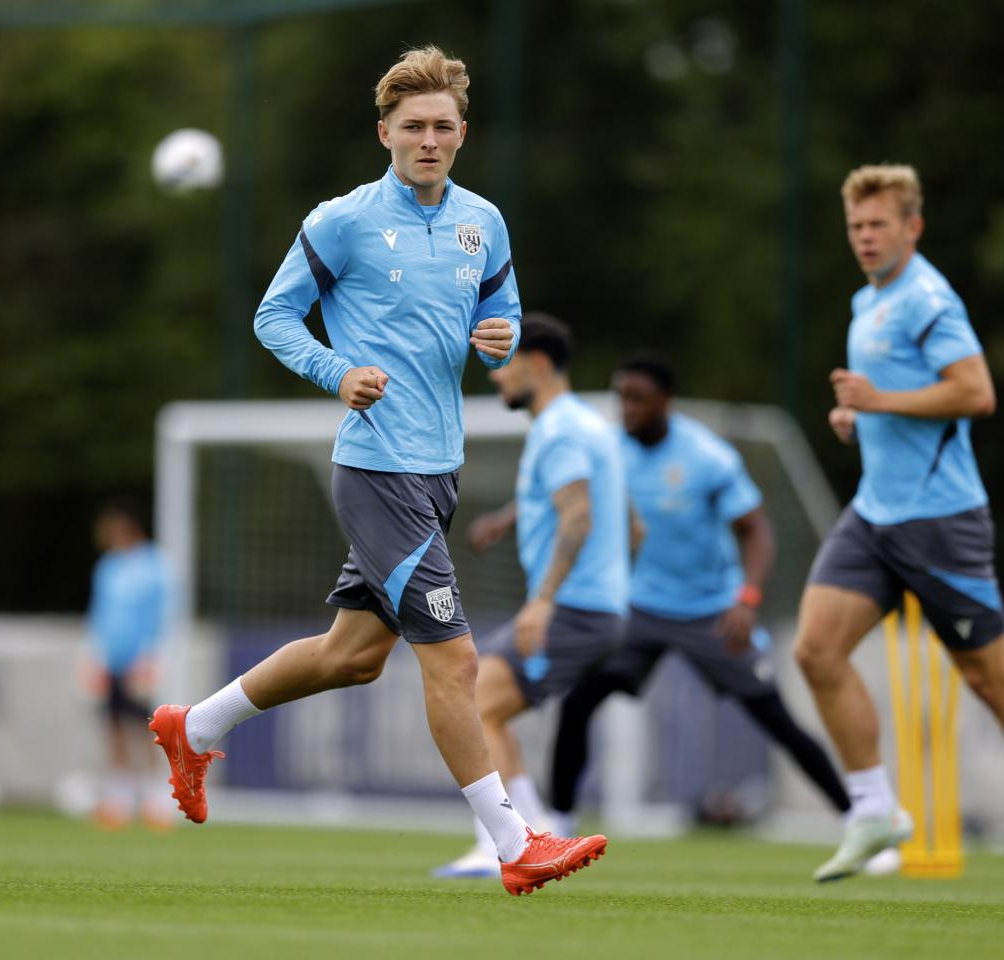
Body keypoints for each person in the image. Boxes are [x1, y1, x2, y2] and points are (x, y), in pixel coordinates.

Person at [148, 46, 606, 897]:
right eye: (412, 128)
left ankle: (194, 724)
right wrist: (337, 373)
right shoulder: (342, 221)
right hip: (376, 467)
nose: (427, 140)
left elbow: (501, 306)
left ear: (462, 134)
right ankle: (513, 844)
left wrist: (499, 333)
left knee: (353, 655)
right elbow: (273, 316)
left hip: (440, 470)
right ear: (384, 133)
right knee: (457, 661)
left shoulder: (484, 222)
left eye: (442, 127)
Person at [795, 163, 1004, 892]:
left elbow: (976, 393)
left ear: (912, 228)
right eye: (856, 227)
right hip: (875, 515)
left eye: (879, 226)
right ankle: (874, 809)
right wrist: (858, 412)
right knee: (815, 651)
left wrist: (880, 400)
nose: (865, 238)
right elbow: (890, 398)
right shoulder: (869, 300)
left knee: (988, 678)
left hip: (940, 522)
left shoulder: (929, 300)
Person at [545, 355, 860, 840]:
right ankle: (558, 823)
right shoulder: (609, 449)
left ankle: (857, 821)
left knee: (776, 720)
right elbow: (570, 498)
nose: (627, 408)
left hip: (711, 612)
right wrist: (506, 519)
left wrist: (747, 597)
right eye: (622, 397)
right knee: (579, 701)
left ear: (664, 402)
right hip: (639, 609)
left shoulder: (707, 457)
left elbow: (756, 531)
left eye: (638, 399)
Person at [433, 312, 629, 880]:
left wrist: (543, 600)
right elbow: (624, 519)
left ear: (537, 363)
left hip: (575, 608)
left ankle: (505, 843)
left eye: (503, 363)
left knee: (471, 701)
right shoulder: (588, 425)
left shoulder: (560, 430)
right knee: (482, 700)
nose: (495, 376)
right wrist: (510, 518)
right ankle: (530, 833)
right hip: (599, 605)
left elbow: (579, 515)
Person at [83, 500, 175, 829]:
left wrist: (151, 657)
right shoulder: (107, 566)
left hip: (140, 660)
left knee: (144, 728)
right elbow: (99, 614)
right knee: (114, 728)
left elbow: (163, 615)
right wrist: (94, 656)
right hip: (112, 659)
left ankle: (157, 801)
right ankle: (118, 801)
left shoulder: (155, 564)